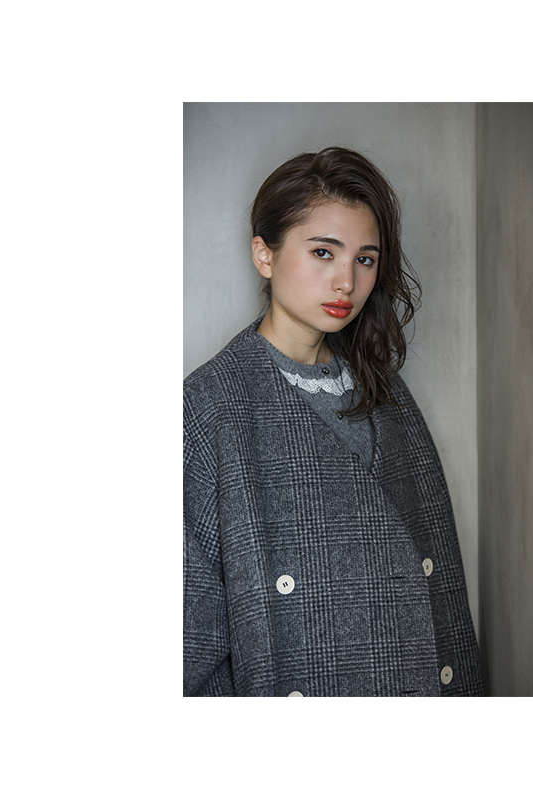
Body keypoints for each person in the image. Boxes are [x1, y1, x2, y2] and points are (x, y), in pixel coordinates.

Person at [184, 146, 484, 696]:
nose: (346, 281)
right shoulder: (208, 407)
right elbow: (189, 636)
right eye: (323, 252)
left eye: (365, 259)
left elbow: (440, 588)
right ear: (264, 255)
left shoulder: (386, 391)